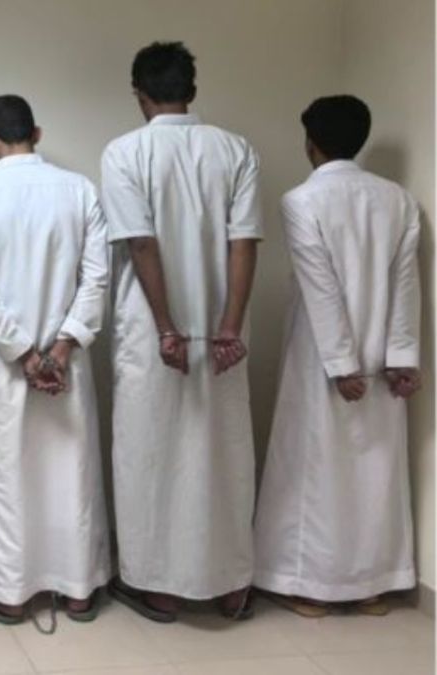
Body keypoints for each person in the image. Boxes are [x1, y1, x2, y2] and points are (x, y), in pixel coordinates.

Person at [101, 42, 262, 622]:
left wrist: (168, 328)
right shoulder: (236, 150)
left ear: (139, 94)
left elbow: (142, 242)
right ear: (192, 91)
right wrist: (228, 327)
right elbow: (244, 242)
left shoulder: (124, 152)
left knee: (152, 454)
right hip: (223, 336)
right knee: (224, 453)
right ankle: (229, 584)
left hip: (154, 332)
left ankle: (158, 585)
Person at [253, 96, 421, 618]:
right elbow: (406, 282)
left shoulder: (301, 200)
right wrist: (401, 356)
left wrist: (342, 364)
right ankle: (370, 584)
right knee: (373, 472)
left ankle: (309, 587)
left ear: (311, 143)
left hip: (323, 357)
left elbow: (319, 284)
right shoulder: (399, 200)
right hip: (381, 354)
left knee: (313, 468)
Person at [0, 95, 110, 625]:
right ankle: (78, 589)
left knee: (4, 474)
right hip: (66, 363)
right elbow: (97, 278)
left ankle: (9, 594)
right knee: (68, 472)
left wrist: (23, 353)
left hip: (2, 363)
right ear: (36, 133)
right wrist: (61, 348)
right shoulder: (80, 190)